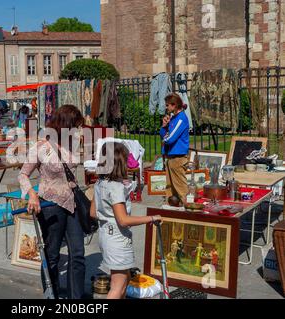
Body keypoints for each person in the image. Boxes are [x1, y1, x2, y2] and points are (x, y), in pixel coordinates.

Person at [18, 104, 85, 299]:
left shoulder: (73, 143)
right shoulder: (40, 146)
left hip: (72, 203)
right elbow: (23, 174)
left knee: (78, 254)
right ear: (64, 125)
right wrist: (31, 194)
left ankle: (76, 300)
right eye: (75, 126)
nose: (78, 130)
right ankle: (52, 295)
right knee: (52, 255)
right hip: (50, 205)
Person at [90, 142, 162, 299]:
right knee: (118, 287)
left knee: (124, 282)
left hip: (105, 235)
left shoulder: (99, 183)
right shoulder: (115, 187)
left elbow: (93, 212)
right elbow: (123, 220)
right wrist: (150, 218)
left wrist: (107, 213)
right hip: (117, 239)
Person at [160, 93, 190, 206]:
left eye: (168, 105)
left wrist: (165, 139)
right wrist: (164, 126)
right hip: (170, 156)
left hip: (177, 158)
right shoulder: (173, 118)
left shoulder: (181, 118)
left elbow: (170, 138)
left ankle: (188, 209)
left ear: (174, 105)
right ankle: (171, 208)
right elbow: (164, 134)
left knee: (181, 188)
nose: (166, 107)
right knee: (170, 188)